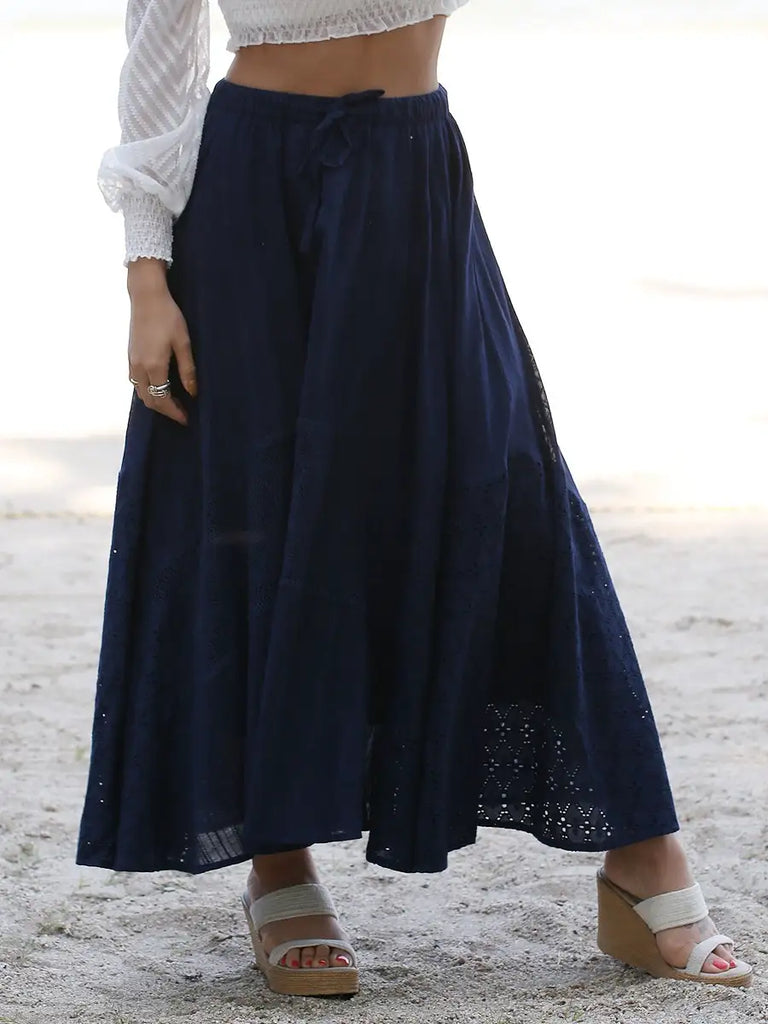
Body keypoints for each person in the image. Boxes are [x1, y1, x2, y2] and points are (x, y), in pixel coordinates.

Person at [76, 0, 753, 998]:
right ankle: (279, 861)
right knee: (261, 511)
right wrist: (147, 275)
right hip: (252, 191)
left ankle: (643, 853)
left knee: (512, 492)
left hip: (414, 173)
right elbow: (161, 54)